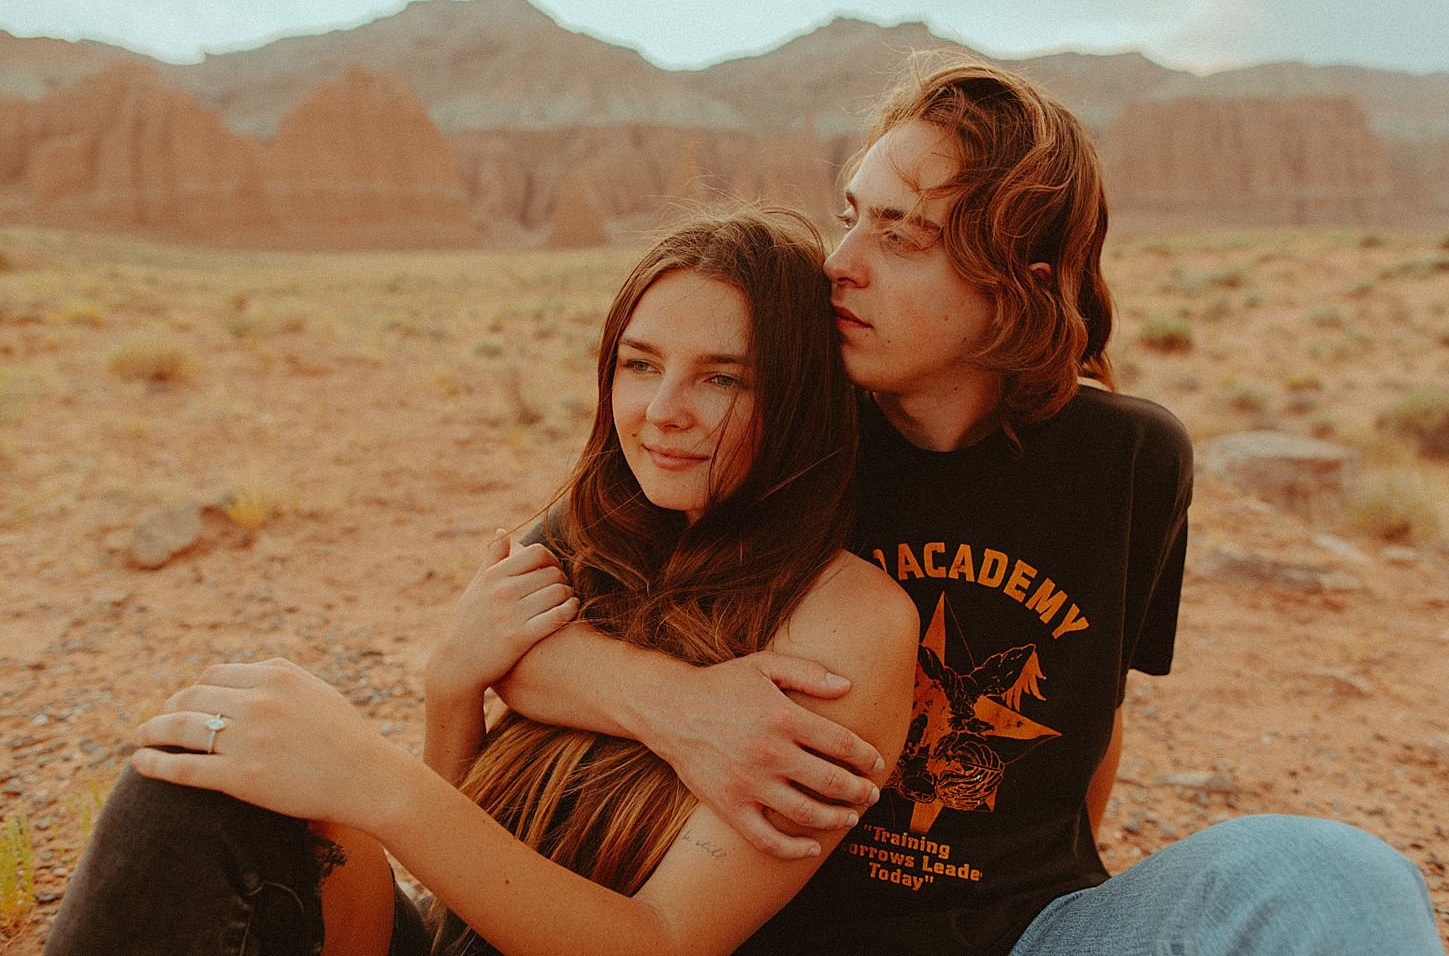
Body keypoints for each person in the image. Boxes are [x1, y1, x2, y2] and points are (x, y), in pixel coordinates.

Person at [493, 56, 1445, 955]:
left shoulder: (1130, 458)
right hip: (780, 931)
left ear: (1017, 286)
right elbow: (512, 630)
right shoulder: (782, 423)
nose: (841, 263)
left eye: (900, 235)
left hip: (1035, 933)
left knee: (1335, 875)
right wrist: (674, 706)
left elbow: (1093, 717)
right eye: (852, 216)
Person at [42, 206, 919, 956]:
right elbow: (466, 870)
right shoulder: (597, 529)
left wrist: (376, 781)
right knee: (202, 767)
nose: (661, 413)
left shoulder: (849, 624)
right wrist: (449, 686)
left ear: (801, 396)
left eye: (722, 378)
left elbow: (664, 940)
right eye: (641, 364)